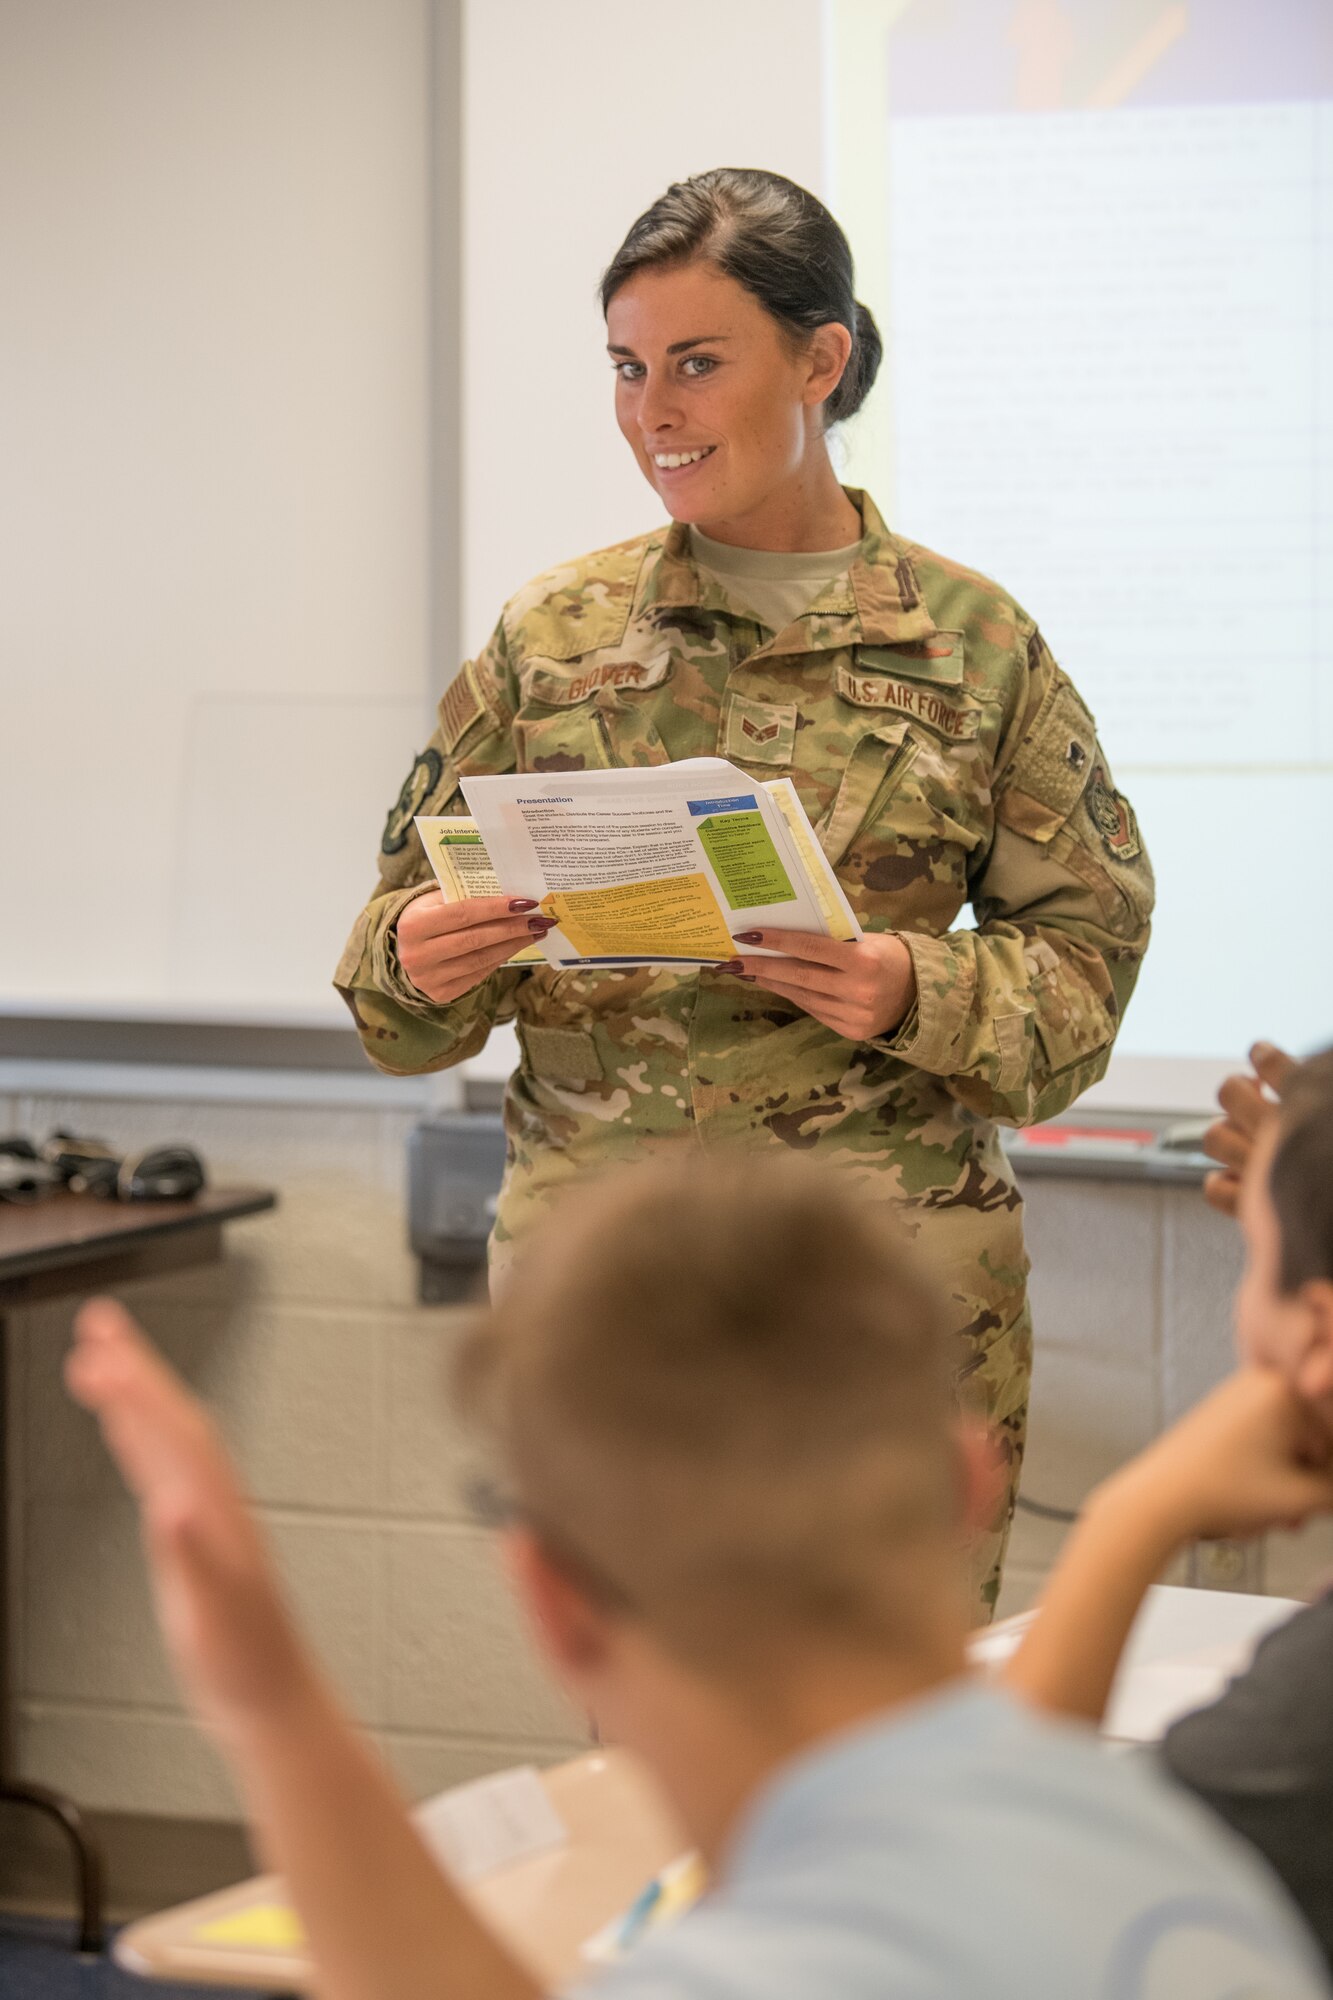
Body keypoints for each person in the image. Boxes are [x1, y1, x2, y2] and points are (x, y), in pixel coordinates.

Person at [336, 168, 1156, 1610]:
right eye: (627, 368)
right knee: (653, 1761)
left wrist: (921, 983)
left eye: (698, 364)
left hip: (883, 1298)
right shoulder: (552, 633)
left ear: (820, 359)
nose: (653, 408)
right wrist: (421, 957)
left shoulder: (973, 645)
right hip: (608, 1296)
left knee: (897, 1737)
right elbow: (391, 984)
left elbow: (1086, 968)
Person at [68, 1155, 1327, 2000]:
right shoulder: (1180, 1846)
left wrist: (263, 1694)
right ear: (966, 1488)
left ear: (551, 1602)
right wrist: (273, 1701)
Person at [1008, 1047, 1333, 1970]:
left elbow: (999, 1887)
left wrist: (1131, 1519)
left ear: (1315, 1336)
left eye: (1256, 1253)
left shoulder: (1292, 1739)